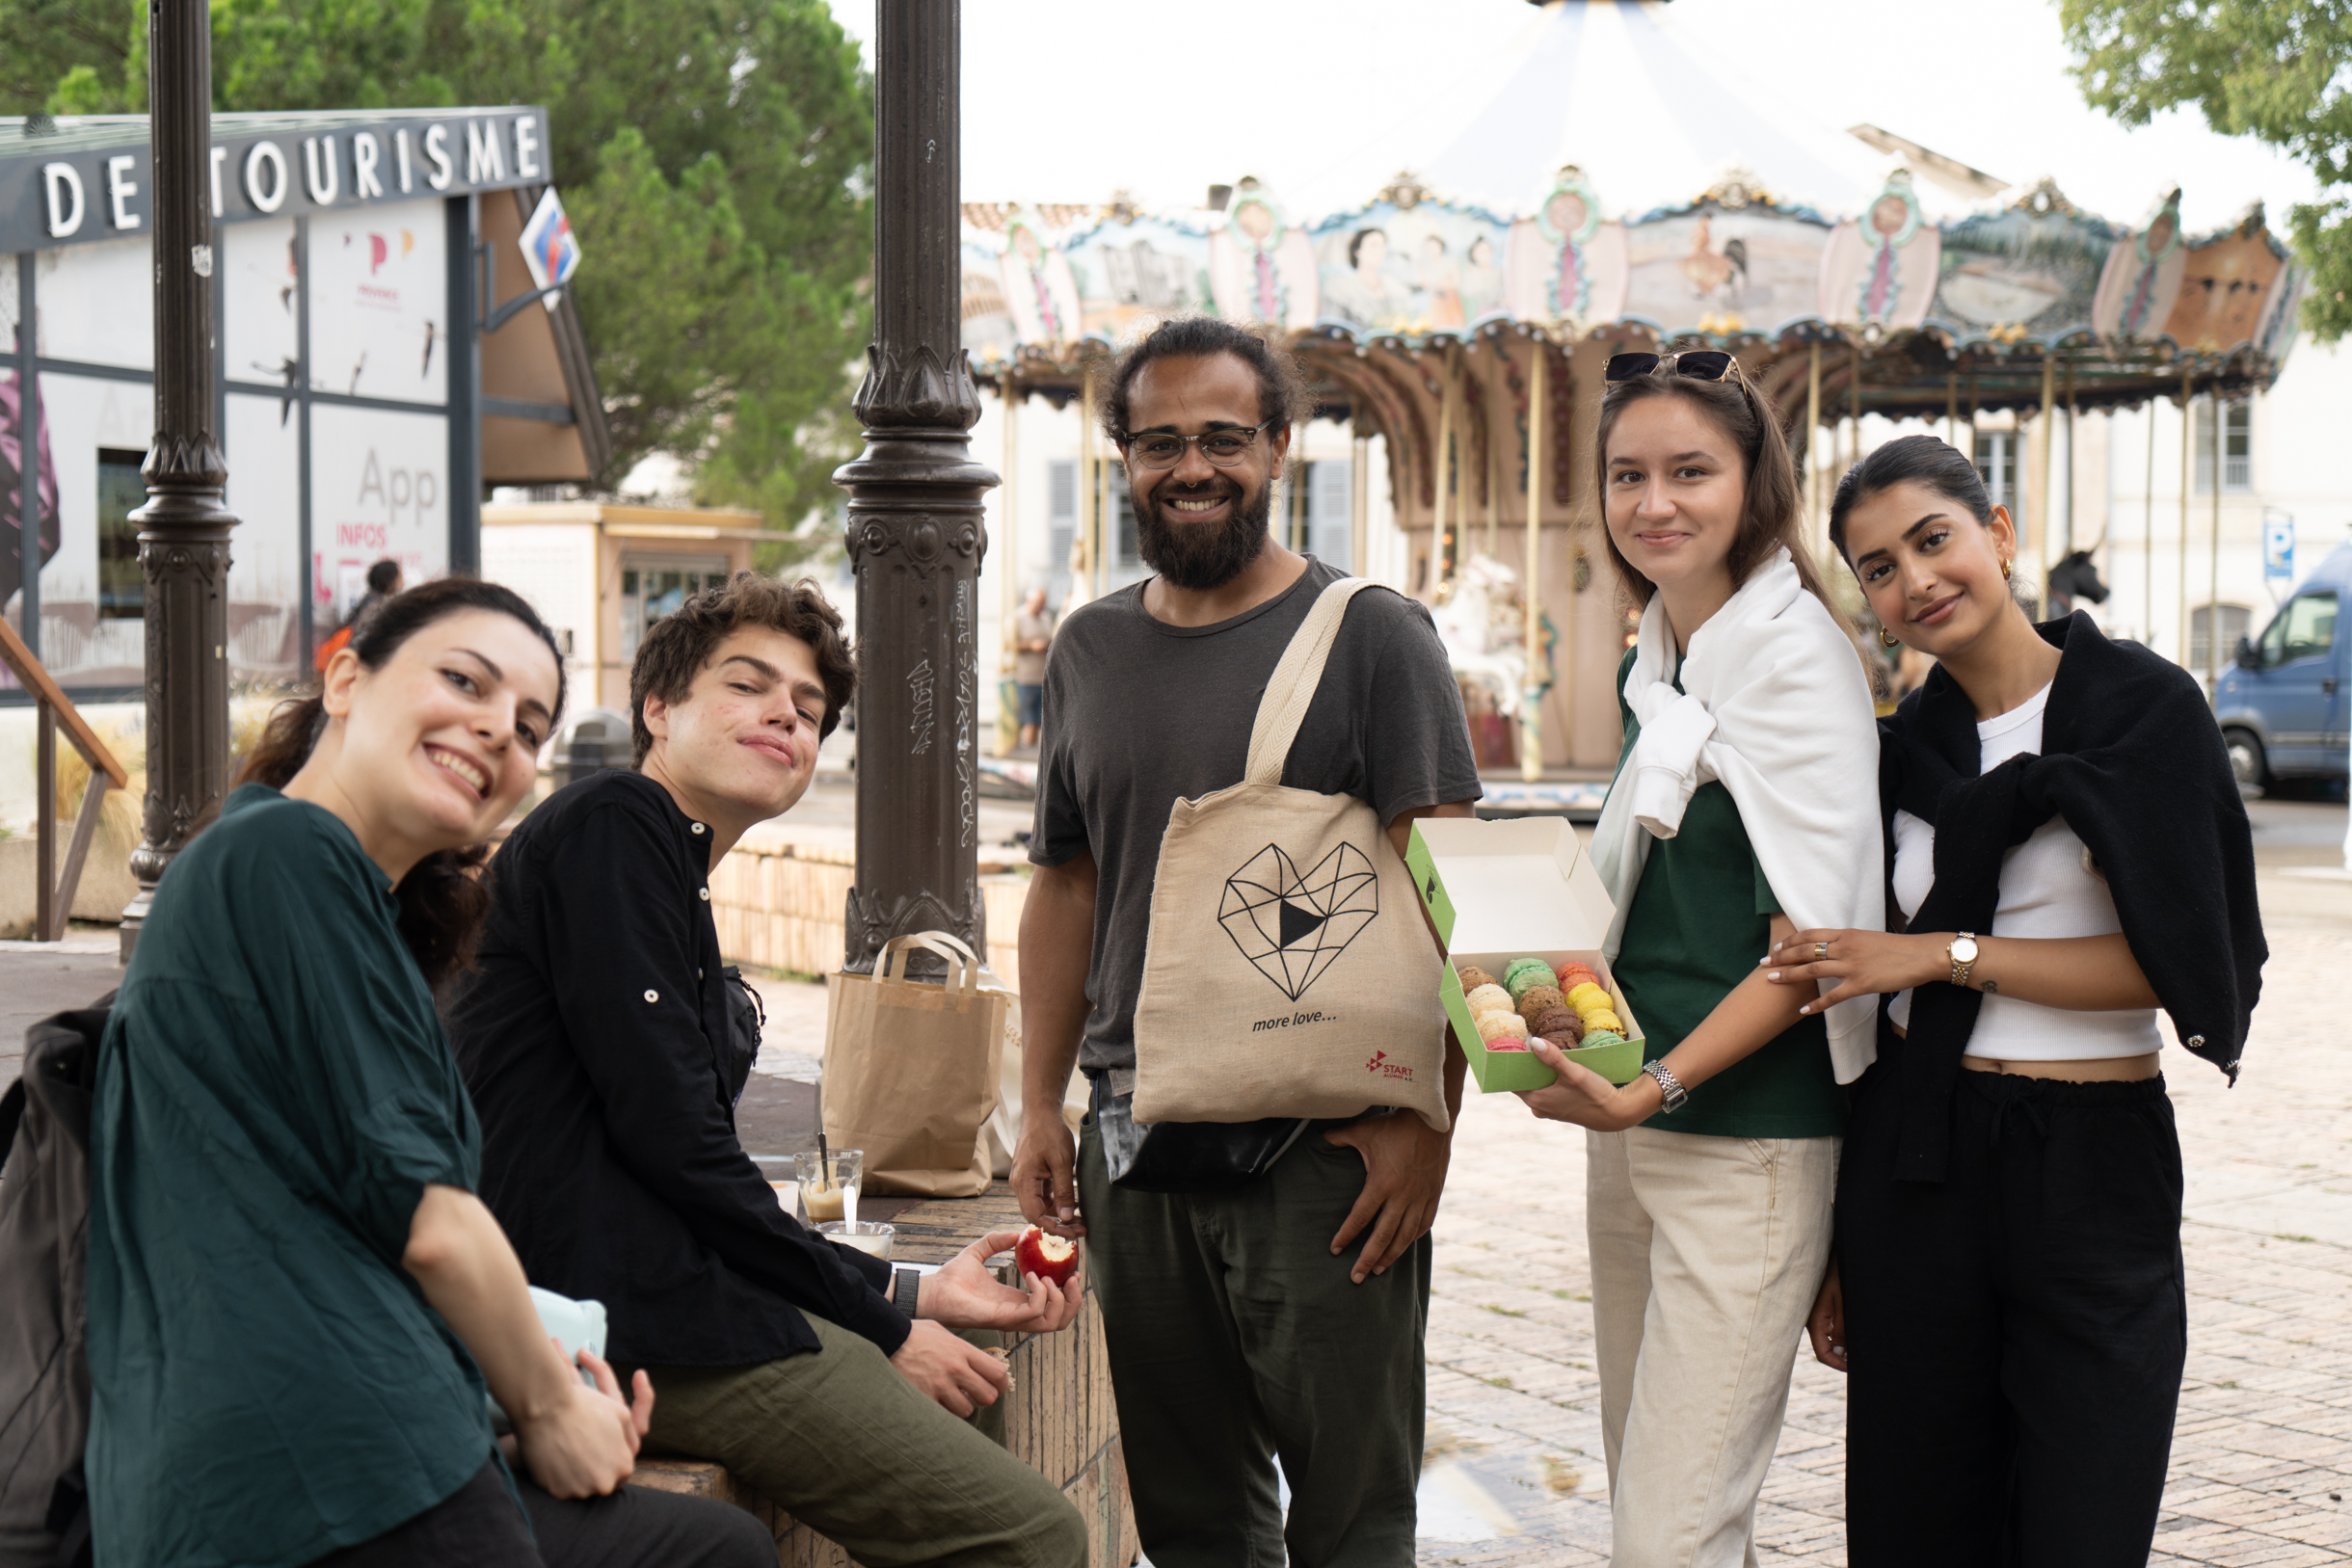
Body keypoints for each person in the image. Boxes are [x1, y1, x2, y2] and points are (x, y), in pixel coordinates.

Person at [86, 578, 773, 1568]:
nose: (500, 729)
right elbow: (434, 1225)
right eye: (464, 680)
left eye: (530, 724)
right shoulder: (284, 853)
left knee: (713, 1546)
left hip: (313, 1456)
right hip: (328, 1477)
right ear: (345, 679)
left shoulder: (328, 892)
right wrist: (546, 1406)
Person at [446, 571, 1090, 1568]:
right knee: (1034, 1534)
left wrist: (912, 1289)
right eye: (747, 685)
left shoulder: (664, 868)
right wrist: (882, 1317)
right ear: (657, 707)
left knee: (973, 1395)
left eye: (809, 709)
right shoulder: (612, 823)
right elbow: (681, 1147)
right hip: (609, 1314)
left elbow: (683, 1160)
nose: (784, 715)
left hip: (654, 1288)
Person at [1012, 315, 1482, 1568]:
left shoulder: (1375, 635)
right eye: (1159, 440)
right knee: (1192, 1517)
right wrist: (1038, 1103)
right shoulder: (1090, 648)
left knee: (1352, 1514)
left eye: (1223, 435)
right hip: (1134, 1138)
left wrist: (1431, 1121)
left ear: (1280, 446)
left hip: (1324, 1151)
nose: (1192, 464)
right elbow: (1064, 886)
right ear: (1123, 456)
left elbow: (1457, 892)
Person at [1772, 435, 2264, 1567]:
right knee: (1914, 1519)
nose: (1913, 581)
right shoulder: (1896, 756)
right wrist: (1836, 1239)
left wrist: (1943, 954)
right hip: (1917, 1159)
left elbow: (2179, 965)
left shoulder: (2143, 710)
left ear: (1997, 533)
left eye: (1931, 539)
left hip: (2090, 1157)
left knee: (2086, 1516)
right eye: (1878, 569)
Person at [1510, 350, 1884, 1567]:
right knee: (1654, 1502)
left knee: (1672, 1533)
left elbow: (1812, 949)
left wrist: (1657, 1086)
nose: (1652, 503)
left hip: (1744, 1135)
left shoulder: (1792, 659)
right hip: (1634, 1111)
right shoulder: (1662, 652)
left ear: (1752, 484)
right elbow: (1648, 894)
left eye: (1688, 472)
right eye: (1626, 475)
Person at [1013, 585, 1055, 749]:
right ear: (1028, 601)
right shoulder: (1018, 618)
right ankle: (1025, 749)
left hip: (1043, 676)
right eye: (1038, 603)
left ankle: (1033, 752)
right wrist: (1031, 646)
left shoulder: (1047, 619)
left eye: (1043, 604)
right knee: (1029, 719)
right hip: (1026, 676)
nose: (1040, 607)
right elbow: (1010, 644)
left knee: (1040, 719)